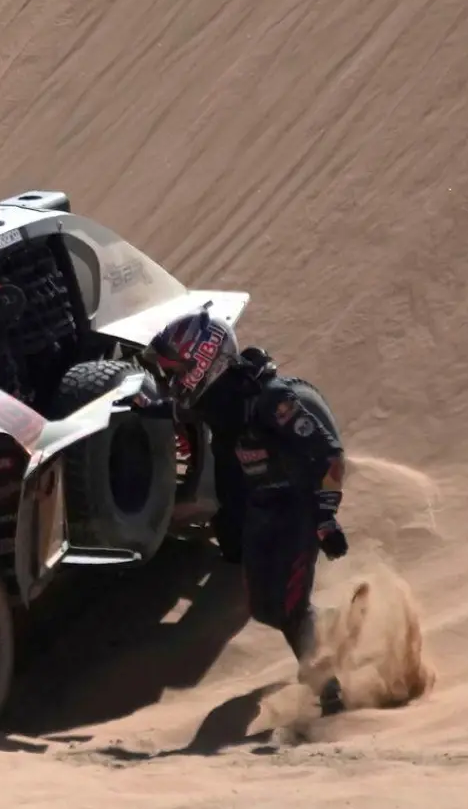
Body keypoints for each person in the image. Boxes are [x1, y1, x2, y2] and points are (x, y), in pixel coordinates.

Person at [135, 305, 351, 716]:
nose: (174, 380)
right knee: (266, 607)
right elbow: (187, 410)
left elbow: (330, 455)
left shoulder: (271, 401)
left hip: (298, 509)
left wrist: (325, 518)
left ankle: (329, 687)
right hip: (262, 509)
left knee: (289, 604)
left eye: (178, 370)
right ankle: (334, 629)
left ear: (204, 361)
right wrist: (147, 408)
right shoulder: (220, 400)